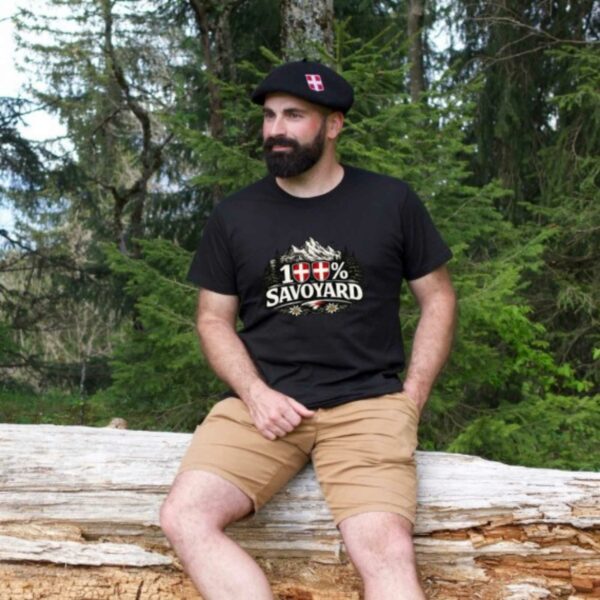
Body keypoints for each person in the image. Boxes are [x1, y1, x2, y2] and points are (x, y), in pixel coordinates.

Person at [160, 60, 457, 600]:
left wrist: (412, 396)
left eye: (294, 115)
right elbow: (212, 319)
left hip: (368, 404)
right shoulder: (235, 215)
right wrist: (254, 393)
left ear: (334, 125)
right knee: (185, 515)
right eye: (270, 116)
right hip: (264, 407)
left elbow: (437, 298)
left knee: (385, 550)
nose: (276, 129)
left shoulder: (390, 201)